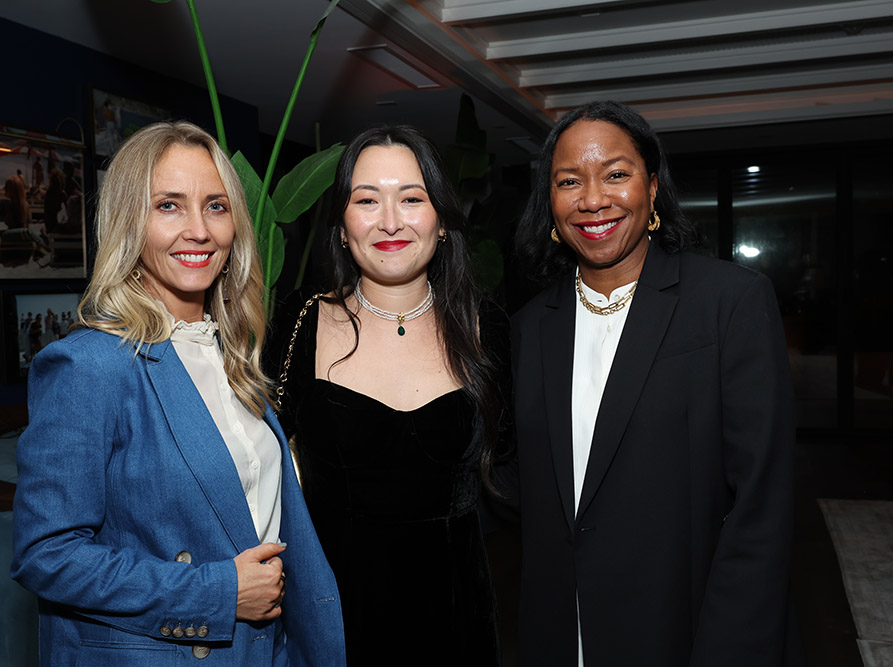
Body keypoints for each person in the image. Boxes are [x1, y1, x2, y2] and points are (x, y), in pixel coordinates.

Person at [11, 121, 346, 666]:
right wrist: (216, 593)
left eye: (215, 206)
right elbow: (46, 555)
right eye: (169, 205)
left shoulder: (232, 353)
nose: (199, 230)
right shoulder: (89, 365)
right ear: (129, 222)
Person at [510, 100, 803, 666]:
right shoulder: (527, 329)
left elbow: (762, 505)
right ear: (549, 202)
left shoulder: (729, 302)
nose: (593, 199)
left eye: (616, 174)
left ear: (652, 187)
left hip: (690, 628)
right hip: (562, 631)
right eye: (569, 181)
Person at [266, 125, 509, 666]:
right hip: (331, 616)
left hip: (457, 618)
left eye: (412, 198)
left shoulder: (485, 327)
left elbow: (523, 468)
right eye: (368, 200)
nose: (391, 221)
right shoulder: (301, 323)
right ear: (344, 224)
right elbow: (251, 465)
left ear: (441, 221)